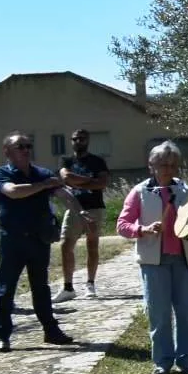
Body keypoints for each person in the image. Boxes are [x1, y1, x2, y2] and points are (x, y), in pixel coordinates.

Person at [116, 141, 188, 374]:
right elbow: (122, 225)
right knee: (160, 315)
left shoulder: (185, 189)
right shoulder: (140, 192)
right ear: (151, 165)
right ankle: (162, 363)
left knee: (186, 314)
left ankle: (186, 360)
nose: (168, 169)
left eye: (173, 164)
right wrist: (142, 229)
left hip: (184, 260)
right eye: (163, 164)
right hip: (154, 262)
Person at [0, 133, 74, 353]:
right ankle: (3, 335)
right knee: (6, 289)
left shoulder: (41, 172)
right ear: (7, 151)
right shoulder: (0, 174)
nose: (26, 150)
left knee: (41, 288)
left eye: (28, 146)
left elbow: (62, 193)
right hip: (12, 240)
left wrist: (80, 212)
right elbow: (14, 192)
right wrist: (43, 184)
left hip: (38, 240)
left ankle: (51, 331)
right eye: (20, 146)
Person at [56, 128, 109, 303]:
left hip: (94, 208)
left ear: (88, 141)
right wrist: (89, 181)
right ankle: (68, 287)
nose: (79, 142)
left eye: (82, 139)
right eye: (75, 139)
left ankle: (90, 284)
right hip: (73, 208)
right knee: (65, 245)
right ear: (71, 141)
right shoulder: (66, 160)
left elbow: (102, 183)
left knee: (92, 245)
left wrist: (76, 182)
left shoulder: (97, 161)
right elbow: (66, 177)